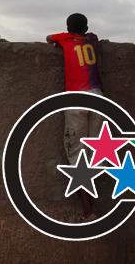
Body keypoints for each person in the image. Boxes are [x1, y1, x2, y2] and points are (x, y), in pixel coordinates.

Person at [46, 13, 104, 221]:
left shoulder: (65, 39)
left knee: (76, 153)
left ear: (68, 28)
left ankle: (88, 210)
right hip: (98, 97)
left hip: (77, 99)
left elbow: (48, 38)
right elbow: (92, 37)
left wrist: (64, 39)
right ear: (86, 28)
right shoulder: (91, 40)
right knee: (96, 150)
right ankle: (93, 203)